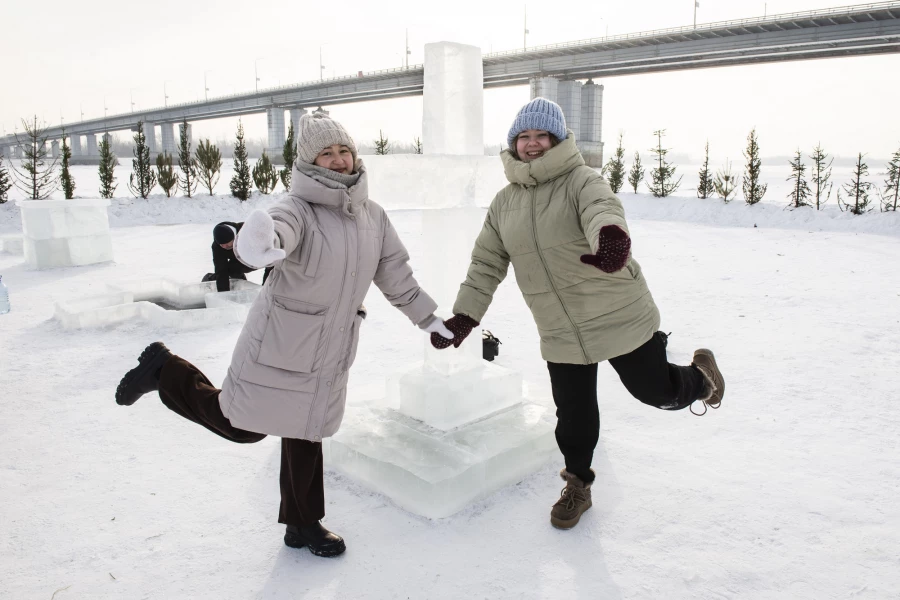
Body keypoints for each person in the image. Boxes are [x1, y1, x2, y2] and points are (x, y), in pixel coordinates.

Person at [115, 112, 454, 557]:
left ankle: (303, 524)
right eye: (325, 153)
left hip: (332, 346)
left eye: (343, 150)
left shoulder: (373, 216)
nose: (337, 160)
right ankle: (165, 371)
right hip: (281, 344)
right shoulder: (297, 209)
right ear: (309, 163)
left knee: (306, 429)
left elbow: (395, 275)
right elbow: (273, 233)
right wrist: (254, 242)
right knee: (241, 426)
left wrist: (429, 319)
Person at [430, 98, 725, 530]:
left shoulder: (582, 180)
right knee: (573, 415)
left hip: (616, 312)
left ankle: (701, 379)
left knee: (656, 392)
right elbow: (485, 265)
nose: (532, 145)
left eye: (541, 136)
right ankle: (578, 484)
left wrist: (610, 240)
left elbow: (602, 211)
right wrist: (465, 317)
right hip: (559, 326)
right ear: (514, 144)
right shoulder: (503, 203)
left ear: (556, 139)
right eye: (524, 137)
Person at [203, 221, 273, 292]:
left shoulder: (250, 231)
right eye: (221, 245)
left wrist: (266, 289)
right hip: (239, 260)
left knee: (273, 272)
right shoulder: (217, 247)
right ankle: (241, 290)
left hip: (261, 255)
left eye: (227, 243)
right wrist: (223, 295)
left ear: (234, 237)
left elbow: (271, 255)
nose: (224, 247)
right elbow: (221, 269)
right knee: (229, 270)